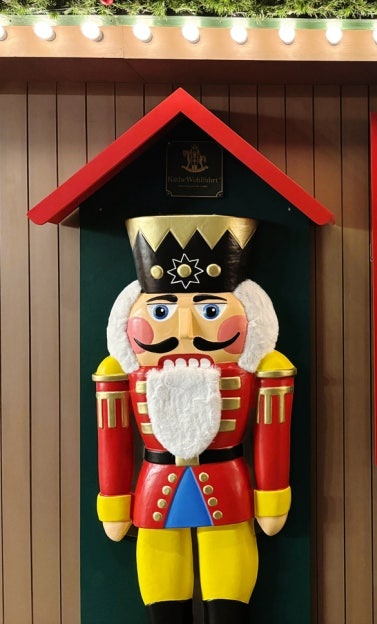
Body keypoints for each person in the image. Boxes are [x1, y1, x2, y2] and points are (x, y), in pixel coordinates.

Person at [93, 215, 295, 624]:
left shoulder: (262, 369)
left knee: (230, 598)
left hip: (228, 485)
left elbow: (271, 434)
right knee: (163, 598)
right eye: (162, 310)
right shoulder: (120, 373)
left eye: (210, 308)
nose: (186, 328)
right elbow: (112, 438)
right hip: (155, 490)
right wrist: (114, 502)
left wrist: (272, 494)